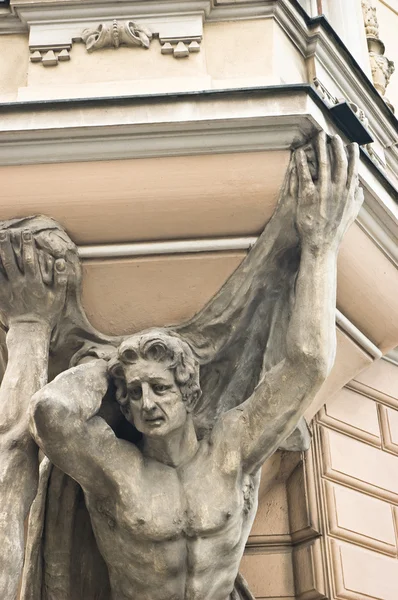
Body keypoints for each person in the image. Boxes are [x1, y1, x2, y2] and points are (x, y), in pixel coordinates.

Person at [29, 134, 363, 600]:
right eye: (137, 393)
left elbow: (307, 363)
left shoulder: (232, 449)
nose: (148, 403)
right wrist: (105, 367)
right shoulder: (117, 472)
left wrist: (320, 244)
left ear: (189, 393)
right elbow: (50, 412)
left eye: (161, 388)